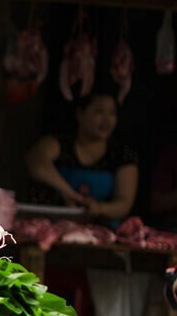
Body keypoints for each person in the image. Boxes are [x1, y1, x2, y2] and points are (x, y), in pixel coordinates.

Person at [25, 89, 138, 224]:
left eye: (112, 113)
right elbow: (36, 163)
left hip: (100, 230)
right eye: (99, 111)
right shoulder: (59, 143)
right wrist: (69, 193)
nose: (107, 120)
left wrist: (99, 208)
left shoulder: (122, 155)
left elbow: (124, 203)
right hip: (51, 226)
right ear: (80, 114)